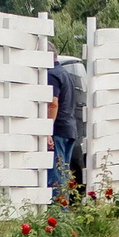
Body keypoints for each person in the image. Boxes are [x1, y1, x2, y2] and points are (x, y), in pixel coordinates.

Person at [45, 57, 78, 197]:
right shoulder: (64, 72)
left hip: (57, 130)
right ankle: (64, 209)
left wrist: (47, 130)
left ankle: (59, 212)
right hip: (69, 128)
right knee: (64, 172)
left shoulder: (51, 74)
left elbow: (53, 103)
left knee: (56, 175)